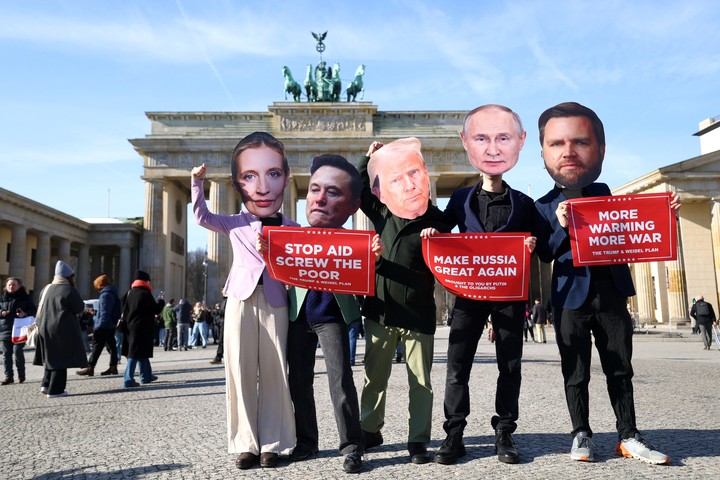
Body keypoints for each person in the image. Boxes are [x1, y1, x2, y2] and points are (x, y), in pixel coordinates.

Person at [533, 101, 678, 465]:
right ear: (544, 153)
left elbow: (635, 228)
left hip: (610, 292)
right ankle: (580, 433)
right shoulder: (543, 206)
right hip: (569, 298)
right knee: (575, 371)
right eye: (557, 144)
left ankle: (628, 435)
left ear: (598, 149)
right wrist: (563, 228)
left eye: (580, 142)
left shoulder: (604, 192)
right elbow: (545, 254)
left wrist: (665, 213)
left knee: (620, 367)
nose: (568, 153)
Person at [421, 105, 537, 465]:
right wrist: (434, 232)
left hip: (508, 297)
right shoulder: (459, 199)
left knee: (510, 365)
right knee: (457, 365)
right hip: (468, 296)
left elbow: (547, 244)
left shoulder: (524, 203)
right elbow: (439, 225)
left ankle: (504, 431)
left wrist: (533, 244)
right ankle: (454, 433)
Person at [191, 131, 297, 470]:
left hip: (276, 299)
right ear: (239, 184)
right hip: (239, 298)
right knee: (238, 370)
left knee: (275, 372)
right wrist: (197, 184)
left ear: (284, 179)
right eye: (250, 177)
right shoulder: (235, 223)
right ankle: (245, 444)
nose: (262, 187)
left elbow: (310, 257)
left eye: (272, 174)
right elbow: (201, 218)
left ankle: (273, 443)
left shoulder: (292, 226)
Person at [276, 154, 382, 473]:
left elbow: (365, 276)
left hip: (332, 316)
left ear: (353, 206)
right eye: (314, 189)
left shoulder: (355, 241)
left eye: (333, 192)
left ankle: (352, 444)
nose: (319, 198)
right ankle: (306, 441)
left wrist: (374, 259)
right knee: (299, 382)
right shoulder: (292, 235)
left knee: (340, 380)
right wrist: (265, 249)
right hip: (298, 316)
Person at [359, 137, 451, 464]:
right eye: (399, 178)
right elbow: (359, 192)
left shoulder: (439, 221)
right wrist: (368, 159)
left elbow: (454, 259)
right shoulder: (382, 211)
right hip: (381, 310)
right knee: (375, 377)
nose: (409, 184)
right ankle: (370, 428)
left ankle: (418, 439)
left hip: (419, 312)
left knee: (421, 382)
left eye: (415, 175)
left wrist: (440, 243)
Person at [33, 260, 87, 398]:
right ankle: (56, 390)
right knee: (61, 358)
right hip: (62, 328)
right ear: (68, 277)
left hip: (44, 327)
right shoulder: (68, 289)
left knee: (50, 357)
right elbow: (79, 308)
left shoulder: (46, 289)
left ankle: (45, 384)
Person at [121, 270, 165, 388]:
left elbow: (123, 308)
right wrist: (161, 301)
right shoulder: (145, 294)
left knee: (141, 352)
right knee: (134, 354)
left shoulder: (129, 293)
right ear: (146, 281)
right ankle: (128, 379)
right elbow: (155, 310)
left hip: (130, 326)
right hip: (142, 327)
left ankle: (146, 376)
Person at [76, 275, 121, 377]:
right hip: (110, 325)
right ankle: (113, 367)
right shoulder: (112, 293)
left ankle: (90, 367)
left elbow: (105, 313)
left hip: (104, 326)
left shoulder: (105, 295)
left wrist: (98, 327)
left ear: (100, 285)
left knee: (97, 346)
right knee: (112, 346)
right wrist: (96, 312)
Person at [1, 277, 36, 385]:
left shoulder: (25, 297)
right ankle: (8, 377)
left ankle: (21, 375)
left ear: (19, 286)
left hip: (20, 330)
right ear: (6, 286)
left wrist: (24, 314)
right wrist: (1, 312)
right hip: (5, 329)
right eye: (9, 285)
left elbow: (33, 310)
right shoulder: (2, 297)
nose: (11, 287)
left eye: (14, 285)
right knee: (6, 354)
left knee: (18, 352)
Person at [209, 295, 226, 364]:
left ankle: (219, 356)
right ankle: (219, 356)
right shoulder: (224, 301)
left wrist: (217, 311)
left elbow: (224, 311)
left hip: (226, 323)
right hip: (222, 323)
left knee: (222, 341)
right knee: (221, 340)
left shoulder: (228, 300)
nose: (222, 292)